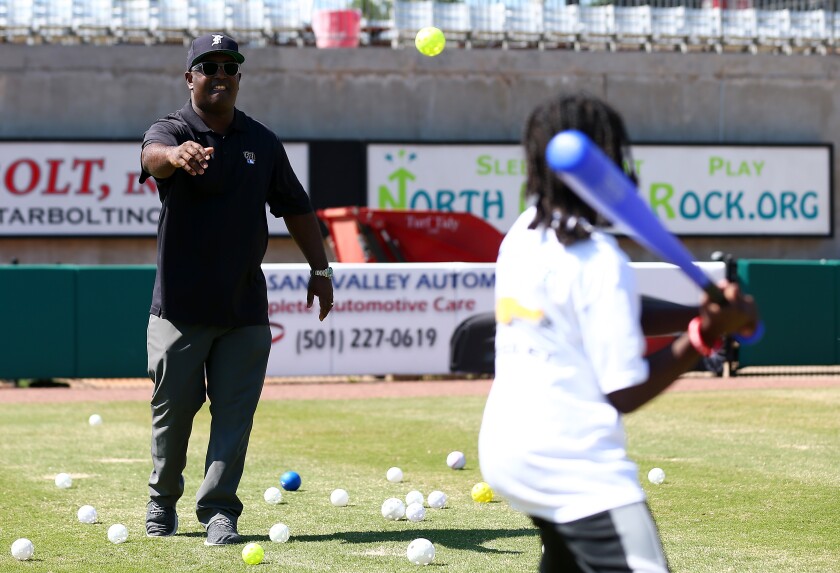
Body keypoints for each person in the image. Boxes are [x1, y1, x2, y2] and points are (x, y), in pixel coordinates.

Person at [477, 92, 759, 572]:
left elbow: (609, 313)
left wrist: (699, 313)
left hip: (508, 452)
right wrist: (703, 336)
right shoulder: (599, 258)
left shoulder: (523, 234)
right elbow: (624, 392)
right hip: (574, 466)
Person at [139, 33, 335, 546]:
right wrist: (176, 156)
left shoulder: (261, 141)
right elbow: (151, 157)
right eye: (209, 66)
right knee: (173, 413)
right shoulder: (173, 129)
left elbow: (295, 206)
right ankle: (162, 502)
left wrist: (321, 270)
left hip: (244, 308)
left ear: (239, 77)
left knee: (234, 416)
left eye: (229, 66)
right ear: (190, 78)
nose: (220, 73)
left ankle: (219, 510)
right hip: (180, 309)